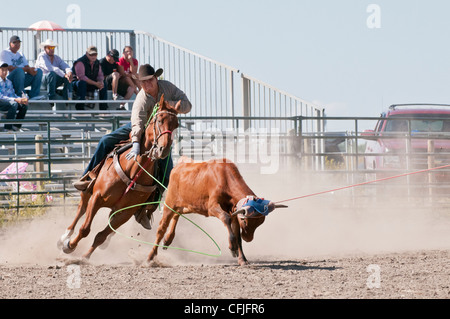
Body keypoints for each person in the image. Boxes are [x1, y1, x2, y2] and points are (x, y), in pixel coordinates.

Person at [73, 64, 192, 229]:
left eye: (149, 80)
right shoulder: (142, 98)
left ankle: (145, 210)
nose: (147, 84)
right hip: (141, 128)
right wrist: (136, 143)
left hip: (161, 134)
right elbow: (136, 122)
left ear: (155, 79)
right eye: (143, 82)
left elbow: (187, 104)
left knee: (166, 176)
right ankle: (88, 177)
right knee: (105, 140)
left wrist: (169, 105)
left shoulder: (168, 88)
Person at [71, 46, 108, 110]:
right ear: (87, 54)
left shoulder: (97, 62)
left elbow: (100, 75)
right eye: (91, 54)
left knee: (104, 84)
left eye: (95, 54)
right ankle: (80, 108)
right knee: (81, 83)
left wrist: (101, 81)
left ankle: (103, 109)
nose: (93, 56)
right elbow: (81, 77)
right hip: (76, 84)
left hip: (90, 83)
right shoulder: (80, 62)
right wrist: (96, 83)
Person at [0, 63, 28, 132]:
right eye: (2, 70)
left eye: (6, 70)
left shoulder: (9, 82)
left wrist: (21, 99)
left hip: (8, 101)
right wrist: (15, 99)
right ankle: (7, 128)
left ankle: (16, 126)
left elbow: (12, 94)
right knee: (14, 104)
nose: (4, 72)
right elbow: (1, 97)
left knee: (24, 105)